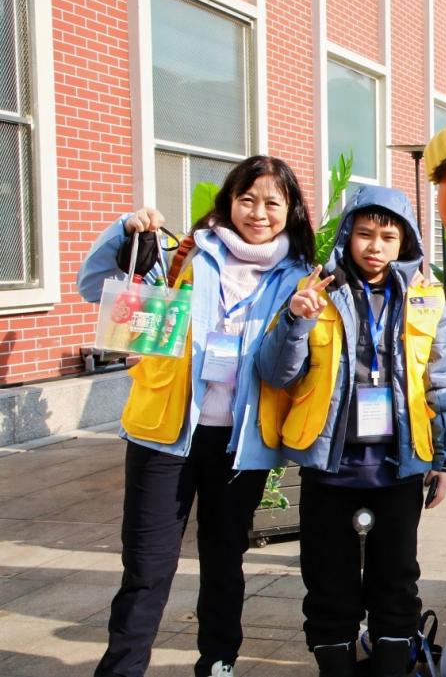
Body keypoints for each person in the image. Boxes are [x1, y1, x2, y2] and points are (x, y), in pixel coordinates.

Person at [77, 156, 316, 677]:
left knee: (224, 561)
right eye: (247, 199)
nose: (258, 213)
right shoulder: (185, 254)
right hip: (164, 435)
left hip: (241, 444)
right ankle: (121, 669)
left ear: (291, 210)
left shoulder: (300, 278)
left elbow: (292, 365)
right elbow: (94, 286)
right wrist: (123, 231)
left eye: (272, 202)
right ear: (228, 202)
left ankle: (218, 662)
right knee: (147, 567)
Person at [256, 185, 446, 677]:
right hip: (329, 466)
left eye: (388, 237)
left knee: (397, 582)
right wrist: (295, 320)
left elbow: (440, 380)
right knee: (329, 585)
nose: (375, 246)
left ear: (405, 242)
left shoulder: (427, 299)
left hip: (399, 468)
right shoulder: (314, 290)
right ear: (348, 234)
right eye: (365, 233)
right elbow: (276, 373)